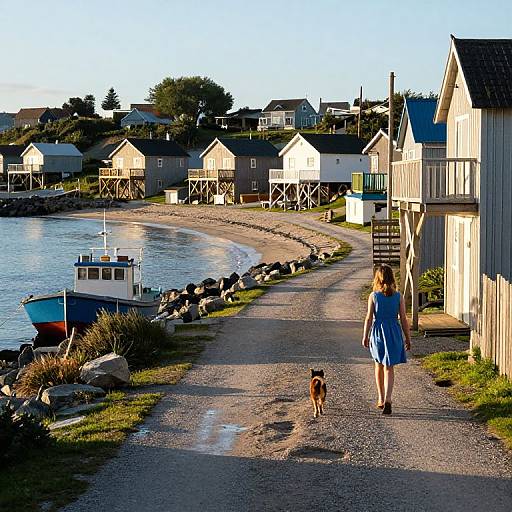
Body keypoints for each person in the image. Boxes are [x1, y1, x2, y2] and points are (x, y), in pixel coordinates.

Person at [362, 264, 411, 415]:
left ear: (377, 278)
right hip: (394, 332)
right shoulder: (398, 296)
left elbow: (369, 317)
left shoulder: (374, 296)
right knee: (389, 367)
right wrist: (408, 338)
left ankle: (381, 398)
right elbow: (403, 318)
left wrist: (365, 335)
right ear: (392, 278)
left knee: (378, 365)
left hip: (377, 332)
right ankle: (389, 399)